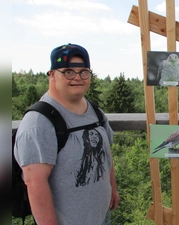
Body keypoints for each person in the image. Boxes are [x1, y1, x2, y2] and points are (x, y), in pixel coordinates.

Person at [14, 43, 119, 225]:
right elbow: (35, 184)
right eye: (68, 72)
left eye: (84, 72)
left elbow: (106, 155)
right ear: (52, 75)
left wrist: (112, 189)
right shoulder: (39, 123)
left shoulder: (95, 112)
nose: (77, 78)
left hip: (101, 217)